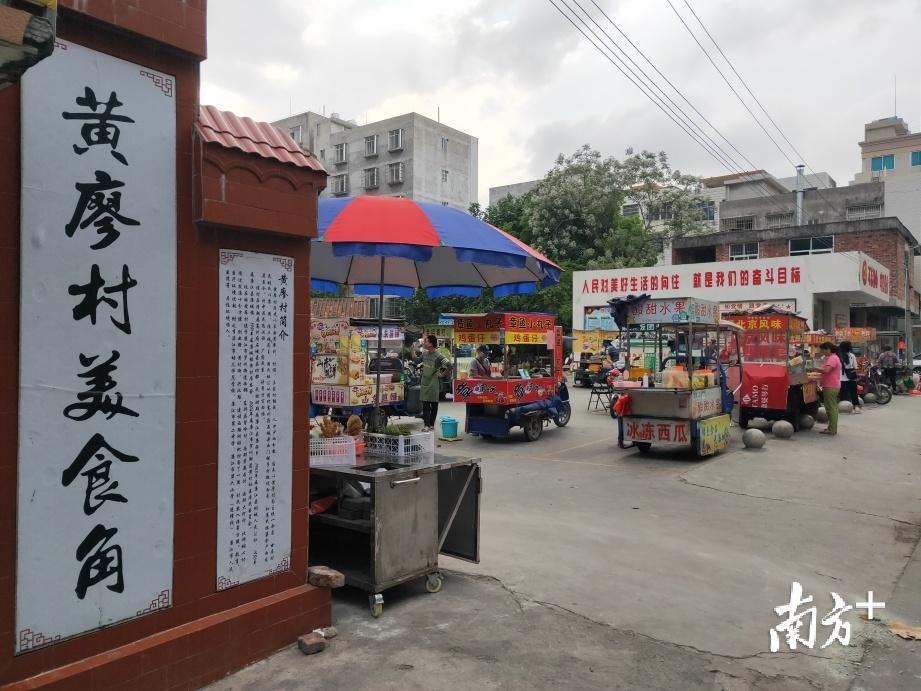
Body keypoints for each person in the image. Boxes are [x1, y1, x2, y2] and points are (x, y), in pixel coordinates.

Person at [418, 334, 450, 432]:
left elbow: (449, 364)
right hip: (424, 381)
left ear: (431, 344)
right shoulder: (424, 353)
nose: (425, 343)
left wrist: (442, 374)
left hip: (434, 382)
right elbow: (416, 360)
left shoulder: (438, 355)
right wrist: (412, 350)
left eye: (426, 341)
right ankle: (426, 425)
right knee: (425, 404)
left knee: (434, 404)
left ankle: (431, 424)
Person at [810, 342, 841, 435]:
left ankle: (832, 429)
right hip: (831, 385)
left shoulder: (832, 358)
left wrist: (814, 368)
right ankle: (832, 428)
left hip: (831, 385)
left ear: (828, 349)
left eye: (823, 350)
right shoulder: (833, 357)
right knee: (831, 407)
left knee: (831, 407)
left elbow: (826, 370)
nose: (822, 352)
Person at [838, 340, 861, 414]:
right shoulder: (852, 355)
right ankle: (856, 407)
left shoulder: (838, 356)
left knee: (843, 394)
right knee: (854, 393)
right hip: (852, 377)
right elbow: (855, 367)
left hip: (841, 378)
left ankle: (843, 407)